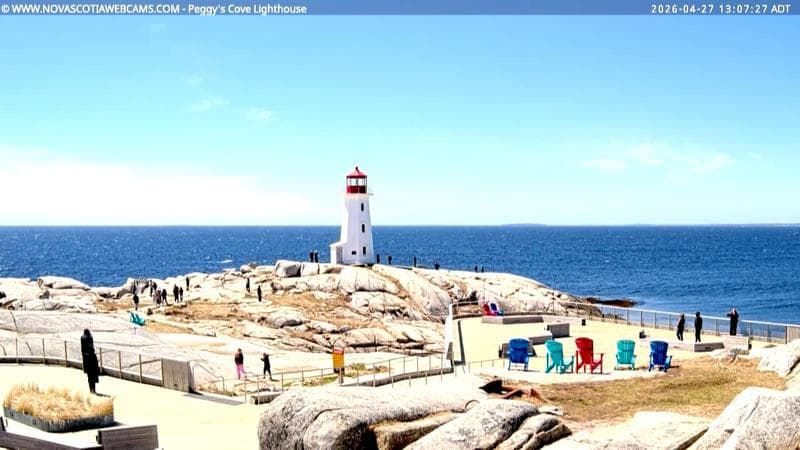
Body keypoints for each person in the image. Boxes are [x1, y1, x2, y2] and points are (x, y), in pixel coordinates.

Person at [81, 330, 100, 394]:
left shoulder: (85, 355)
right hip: (92, 364)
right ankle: (93, 390)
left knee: (89, 377)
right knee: (92, 377)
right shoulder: (92, 354)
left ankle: (91, 390)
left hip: (88, 363)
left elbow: (83, 349)